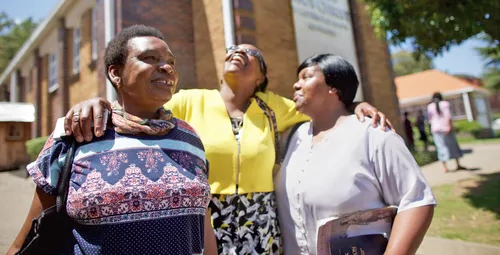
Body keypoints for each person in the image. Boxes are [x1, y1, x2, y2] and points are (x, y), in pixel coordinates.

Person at [62, 44, 392, 254]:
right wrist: (98, 103)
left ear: (261, 76)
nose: (237, 52)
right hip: (205, 215)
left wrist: (358, 104)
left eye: (249, 53)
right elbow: (137, 107)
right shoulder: (191, 99)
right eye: (232, 48)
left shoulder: (272, 106)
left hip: (260, 218)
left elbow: (322, 104)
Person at [8, 25, 217, 255]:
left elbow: (202, 223)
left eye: (171, 62)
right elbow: (27, 240)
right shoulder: (79, 134)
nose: (167, 67)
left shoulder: (191, 139)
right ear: (116, 74)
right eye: (150, 58)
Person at [275, 54, 435, 255]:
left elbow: (416, 200)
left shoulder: (373, 134)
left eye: (306, 77)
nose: (296, 85)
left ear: (333, 87)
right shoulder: (293, 137)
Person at [427, 92, 465, 173]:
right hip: (446, 128)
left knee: (440, 147)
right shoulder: (445, 104)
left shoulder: (430, 106)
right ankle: (457, 164)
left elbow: (430, 119)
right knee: (453, 146)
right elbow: (448, 116)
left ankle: (445, 167)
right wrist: (449, 126)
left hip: (436, 129)